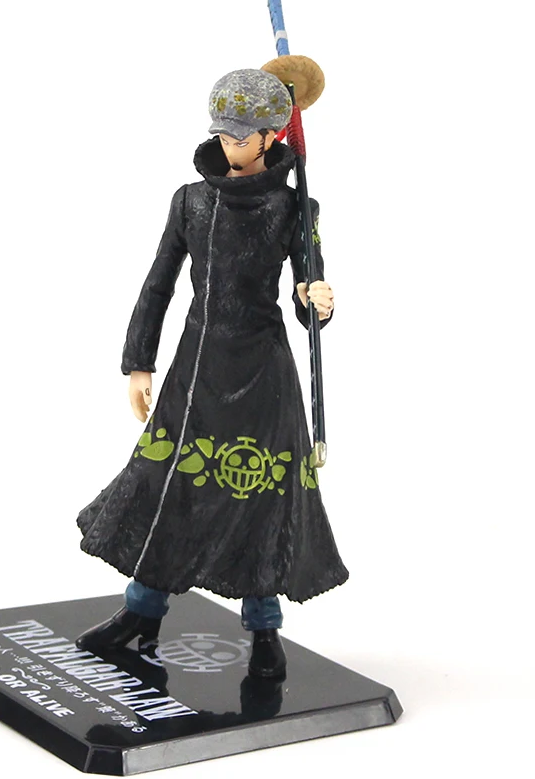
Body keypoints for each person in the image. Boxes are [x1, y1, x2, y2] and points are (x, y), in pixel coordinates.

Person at [76, 68, 348, 680]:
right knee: (165, 482)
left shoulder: (295, 208)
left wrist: (317, 299)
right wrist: (138, 362)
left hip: (263, 370)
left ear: (271, 137)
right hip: (197, 364)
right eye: (222, 134)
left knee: (262, 496)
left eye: (241, 136)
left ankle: (265, 629)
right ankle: (142, 611)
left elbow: (308, 297)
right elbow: (158, 284)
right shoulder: (191, 201)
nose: (229, 145)